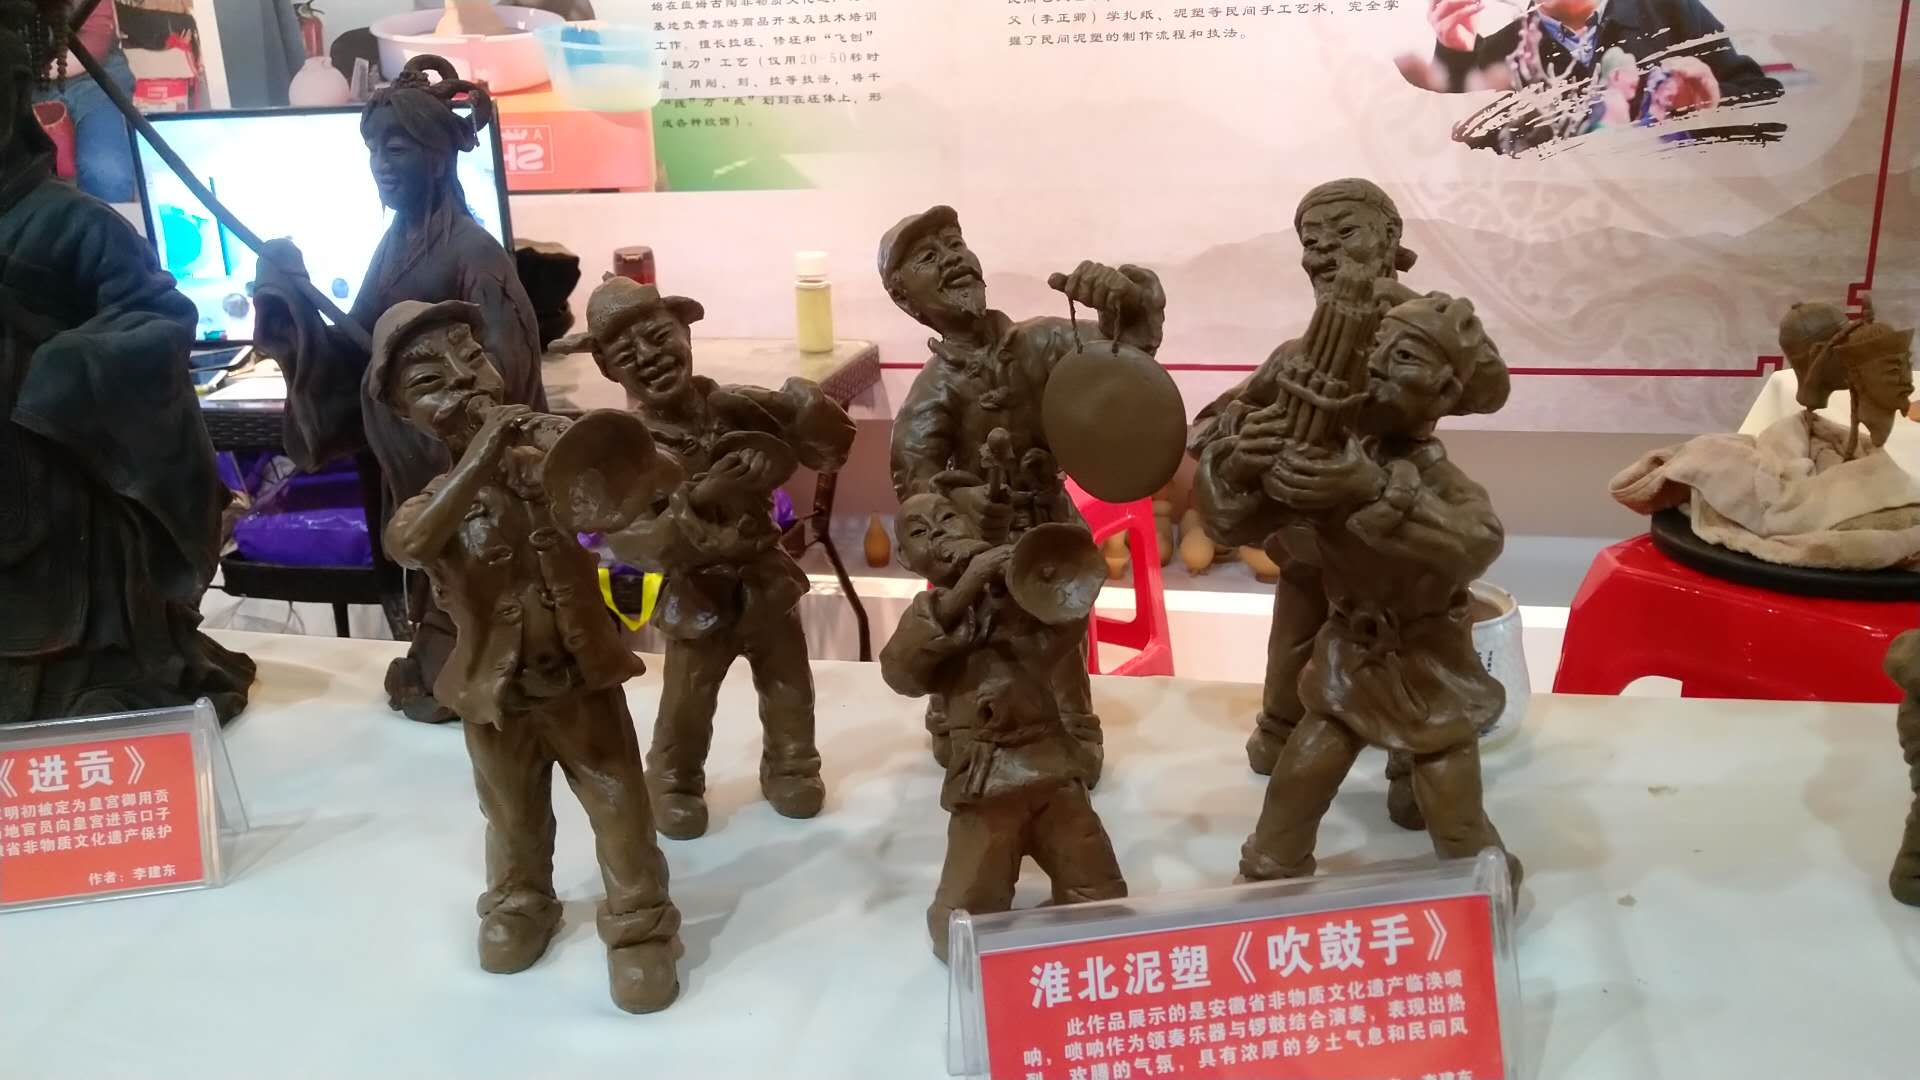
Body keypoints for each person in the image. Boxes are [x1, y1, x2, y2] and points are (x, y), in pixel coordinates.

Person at [373, 299, 683, 1014]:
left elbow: (658, 483)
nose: (462, 379)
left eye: (470, 357)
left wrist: (590, 451)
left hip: (580, 682)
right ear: (403, 412)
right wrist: (483, 456)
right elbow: (412, 546)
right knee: (512, 813)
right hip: (496, 696)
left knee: (619, 804)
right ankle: (521, 902)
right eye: (429, 379)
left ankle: (640, 923)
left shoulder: (552, 470)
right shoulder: (429, 505)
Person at [1196, 286, 1522, 895]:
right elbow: (1235, 525)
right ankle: (1270, 881)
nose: (1376, 364)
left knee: (1454, 814)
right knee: (1296, 784)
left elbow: (1477, 542)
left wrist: (1372, 490)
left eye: (1405, 356)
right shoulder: (1334, 457)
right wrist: (1238, 466)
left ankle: (1486, 896)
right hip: (1348, 658)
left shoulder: (1431, 477)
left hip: (1428, 669)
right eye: (1376, 346)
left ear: (1444, 392)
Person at [252, 53, 545, 726]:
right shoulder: (395, 243)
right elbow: (359, 349)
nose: (381, 164)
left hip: (468, 470)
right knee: (433, 575)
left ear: (438, 159)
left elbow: (506, 381)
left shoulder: (475, 255)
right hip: (410, 461)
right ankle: (442, 653)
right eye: (373, 150)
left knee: (478, 578)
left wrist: (436, 400)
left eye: (397, 148)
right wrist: (296, 305)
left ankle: (484, 665)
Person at [1, 0, 253, 722]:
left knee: (72, 627)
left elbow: (159, 316)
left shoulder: (70, 220)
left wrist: (66, 368)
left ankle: (95, 675)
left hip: (59, 473)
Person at [882, 204, 1167, 785]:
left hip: (1050, 530)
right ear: (906, 300)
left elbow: (1124, 354)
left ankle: (1072, 722)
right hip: (979, 548)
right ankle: (957, 717)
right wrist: (960, 509)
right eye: (929, 257)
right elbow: (916, 490)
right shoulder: (931, 395)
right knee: (977, 635)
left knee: (1061, 630)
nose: (953, 260)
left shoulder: (1042, 341)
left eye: (955, 244)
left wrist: (1125, 301)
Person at [580, 277, 856, 841]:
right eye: (627, 353)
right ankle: (674, 780)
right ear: (608, 369)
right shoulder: (628, 448)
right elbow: (635, 542)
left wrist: (801, 407)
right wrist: (702, 497)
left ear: (685, 332)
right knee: (688, 696)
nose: (650, 357)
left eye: (659, 336)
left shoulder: (737, 406)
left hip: (764, 576)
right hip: (697, 590)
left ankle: (792, 764)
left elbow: (829, 449)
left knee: (788, 681)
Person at [1189, 179, 1427, 826]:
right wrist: (1244, 435)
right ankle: (1280, 731)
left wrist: (1399, 322)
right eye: (1312, 242)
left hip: (1392, 541)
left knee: (1404, 649)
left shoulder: (1425, 334)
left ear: (1390, 239)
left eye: (1344, 234)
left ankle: (1416, 767)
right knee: (1296, 642)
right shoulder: (1297, 356)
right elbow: (1213, 424)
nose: (1323, 254)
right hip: (1309, 539)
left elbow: (1472, 383)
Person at [881, 490, 1126, 961]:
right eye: (920, 532)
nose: (940, 535)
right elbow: (901, 672)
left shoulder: (1017, 601)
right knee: (962, 930)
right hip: (987, 785)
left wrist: (1023, 577)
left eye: (949, 519)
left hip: (1051, 771)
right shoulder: (932, 617)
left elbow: (1065, 625)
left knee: (1100, 904)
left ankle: (1075, 968)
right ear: (906, 560)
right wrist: (967, 587)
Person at [1426, 0, 1781, 107]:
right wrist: (1455, 54)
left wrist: (1712, 100)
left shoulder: (1669, 8)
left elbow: (1764, 94)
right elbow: (1465, 149)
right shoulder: (1498, 51)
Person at [30, 0, 132, 203]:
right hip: (24, 84)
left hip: (94, 79)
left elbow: (95, 39)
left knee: (107, 173)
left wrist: (27, 67)